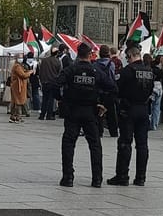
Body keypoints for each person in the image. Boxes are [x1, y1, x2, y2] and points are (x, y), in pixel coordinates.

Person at [59, 42, 113, 188]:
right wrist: (103, 103)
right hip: (91, 111)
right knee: (95, 145)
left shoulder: (71, 69)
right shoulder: (96, 71)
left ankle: (68, 177)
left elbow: (55, 84)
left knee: (69, 143)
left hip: (73, 110)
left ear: (77, 53)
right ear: (90, 55)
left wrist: (63, 100)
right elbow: (112, 87)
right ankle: (97, 179)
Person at [107, 44, 154, 186]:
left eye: (127, 57)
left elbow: (117, 88)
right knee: (142, 145)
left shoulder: (128, 70)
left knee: (125, 143)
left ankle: (122, 175)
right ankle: (141, 177)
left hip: (129, 109)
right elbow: (151, 89)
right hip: (144, 109)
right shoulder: (149, 70)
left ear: (131, 56)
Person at [95, 44, 118, 137]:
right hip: (109, 90)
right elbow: (112, 76)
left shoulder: (95, 64)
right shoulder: (111, 64)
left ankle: (99, 131)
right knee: (111, 112)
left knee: (99, 111)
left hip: (99, 90)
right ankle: (113, 132)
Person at [39, 46, 61, 120]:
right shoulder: (58, 61)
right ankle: (49, 115)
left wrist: (41, 80)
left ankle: (42, 115)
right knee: (51, 99)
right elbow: (59, 72)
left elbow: (40, 71)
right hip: (53, 82)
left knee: (45, 99)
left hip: (45, 82)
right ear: (57, 53)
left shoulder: (44, 61)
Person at [9, 56, 32, 122]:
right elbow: (23, 75)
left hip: (16, 85)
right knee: (18, 101)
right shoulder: (17, 66)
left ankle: (13, 116)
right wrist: (29, 73)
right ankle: (18, 116)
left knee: (15, 101)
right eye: (20, 57)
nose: (21, 59)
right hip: (18, 86)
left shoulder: (17, 65)